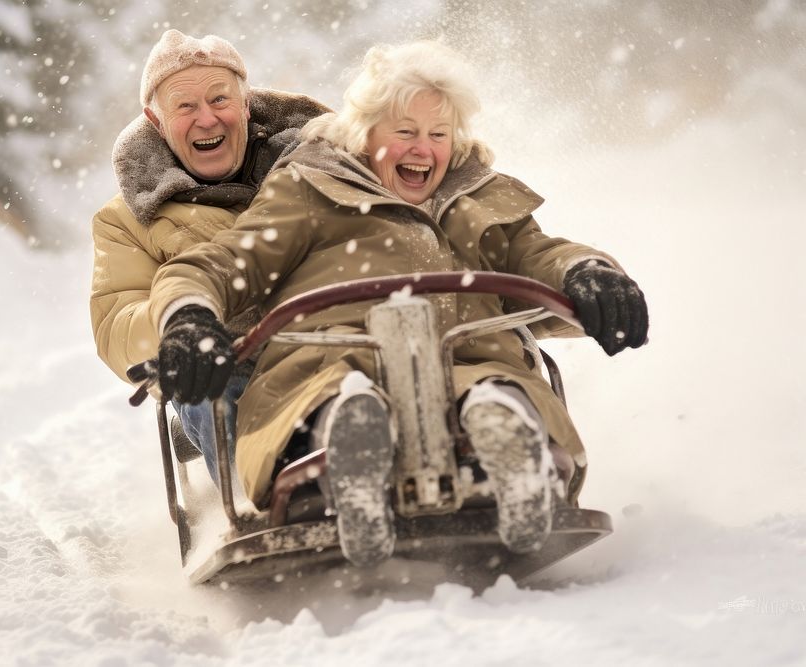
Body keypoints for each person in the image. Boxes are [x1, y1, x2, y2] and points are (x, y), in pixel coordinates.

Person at [146, 41, 648, 566]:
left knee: (490, 385)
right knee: (335, 391)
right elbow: (221, 264)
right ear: (364, 134)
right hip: (334, 356)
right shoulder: (311, 191)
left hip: (464, 356)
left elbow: (539, 253)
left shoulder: (480, 199)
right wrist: (189, 315)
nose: (421, 149)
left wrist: (588, 273)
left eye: (438, 135)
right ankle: (345, 450)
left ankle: (506, 444)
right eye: (404, 132)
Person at [89, 30, 328, 483]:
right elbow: (115, 322)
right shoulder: (128, 219)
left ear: (246, 105)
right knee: (217, 392)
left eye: (219, 100)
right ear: (156, 121)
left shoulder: (319, 165)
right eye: (184, 106)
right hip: (229, 363)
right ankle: (263, 509)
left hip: (335, 339)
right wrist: (178, 325)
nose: (206, 120)